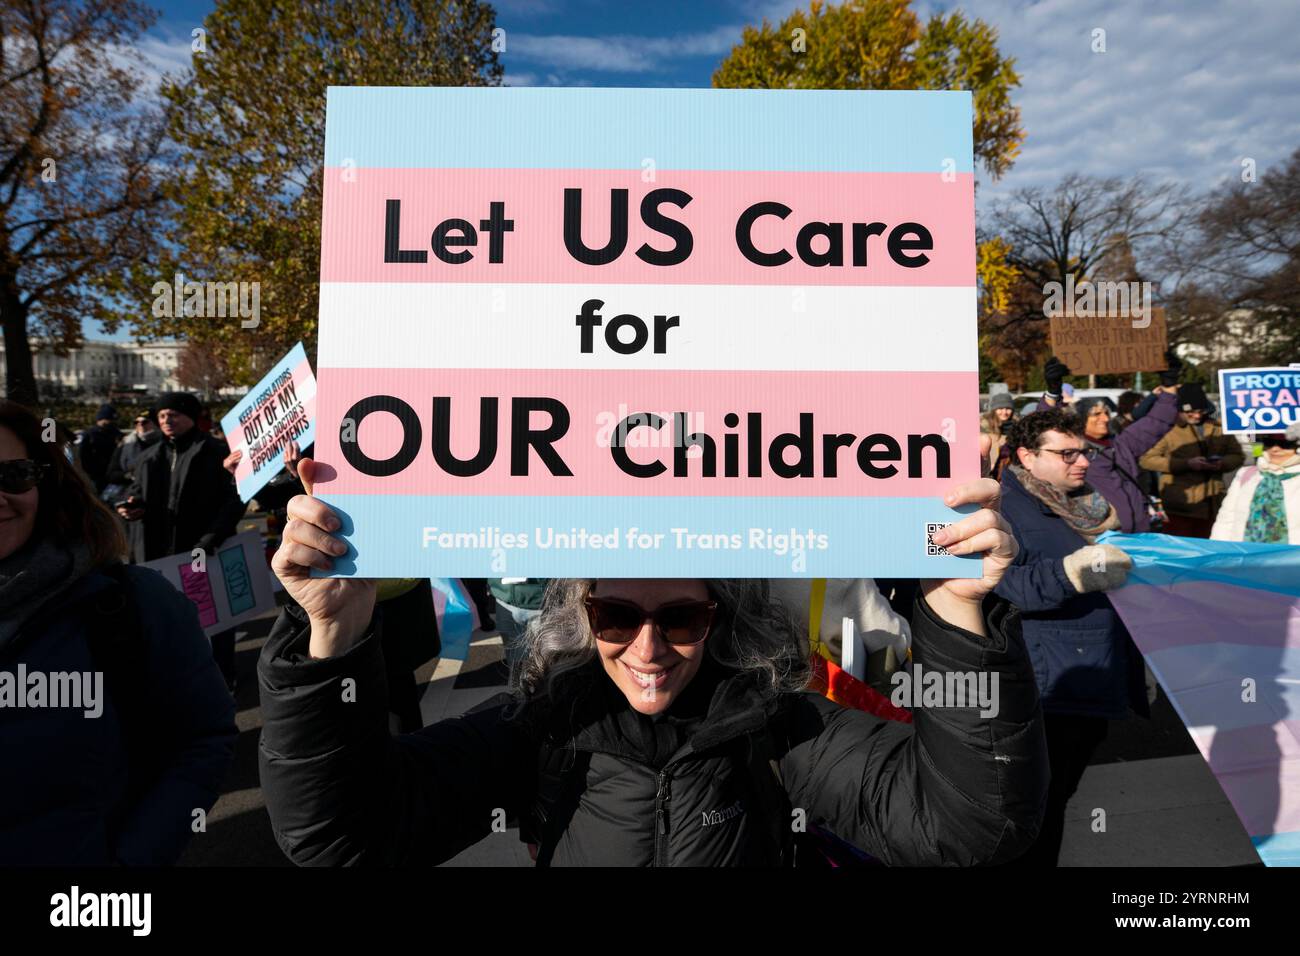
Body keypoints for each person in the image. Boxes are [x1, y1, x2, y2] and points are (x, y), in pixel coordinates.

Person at [256, 460, 1048, 867]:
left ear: (720, 616)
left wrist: (956, 613)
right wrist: (330, 641)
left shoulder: (781, 721)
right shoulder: (534, 729)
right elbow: (342, 842)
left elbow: (967, 829)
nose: (647, 648)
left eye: (680, 617)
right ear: (581, 613)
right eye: (616, 616)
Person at [0, 400, 236, 865]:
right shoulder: (146, 457)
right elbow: (131, 486)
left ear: (46, 483)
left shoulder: (132, 607)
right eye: (160, 414)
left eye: (13, 476)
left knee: (219, 627)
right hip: (156, 546)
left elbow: (201, 740)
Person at [995, 407, 1148, 866]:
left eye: (1083, 452)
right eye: (1066, 454)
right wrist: (1072, 573)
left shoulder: (1086, 503)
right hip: (1048, 684)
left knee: (1058, 797)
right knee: (1037, 806)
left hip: (1096, 672)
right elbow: (1008, 584)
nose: (1081, 463)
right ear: (1027, 455)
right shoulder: (1003, 507)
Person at [1037, 357, 1180, 533]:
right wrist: (1052, 393)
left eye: (1106, 413)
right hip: (1099, 544)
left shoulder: (1122, 443)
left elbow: (1157, 422)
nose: (1105, 418)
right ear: (1081, 420)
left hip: (1139, 537)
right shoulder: (1072, 454)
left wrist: (1169, 386)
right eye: (1096, 414)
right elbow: (1044, 429)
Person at [117, 392, 245, 564]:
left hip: (201, 550)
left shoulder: (216, 452)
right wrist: (131, 505)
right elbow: (136, 489)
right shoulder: (148, 457)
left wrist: (212, 539)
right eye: (161, 415)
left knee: (199, 589)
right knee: (161, 591)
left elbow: (235, 499)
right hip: (156, 551)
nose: (166, 420)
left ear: (191, 417)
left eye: (173, 415)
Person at [1139, 383, 1243, 537]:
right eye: (1191, 412)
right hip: (1180, 507)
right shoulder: (1167, 429)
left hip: (1214, 505)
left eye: (1200, 411)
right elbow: (1146, 459)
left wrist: (1222, 463)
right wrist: (1186, 464)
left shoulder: (1218, 427)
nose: (1197, 415)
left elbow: (1238, 455)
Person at [1211, 425, 1300, 544]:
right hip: (1244, 558)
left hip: (1290, 559)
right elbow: (1226, 520)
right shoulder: (1246, 474)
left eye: (1285, 444)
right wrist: (1219, 554)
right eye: (1269, 442)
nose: (1275, 449)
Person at [103, 413, 161, 501]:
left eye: (145, 422)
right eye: (136, 422)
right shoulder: (126, 444)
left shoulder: (166, 443)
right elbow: (111, 475)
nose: (140, 425)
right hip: (130, 496)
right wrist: (131, 475)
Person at [77, 403, 121, 493]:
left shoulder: (116, 433)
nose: (111, 422)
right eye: (108, 420)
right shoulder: (89, 435)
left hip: (112, 475)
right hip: (95, 476)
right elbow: (82, 457)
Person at [979, 392, 1017, 480]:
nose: (1004, 412)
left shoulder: (1017, 426)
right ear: (994, 409)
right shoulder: (983, 427)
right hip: (987, 473)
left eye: (1008, 408)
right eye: (1000, 408)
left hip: (1009, 474)